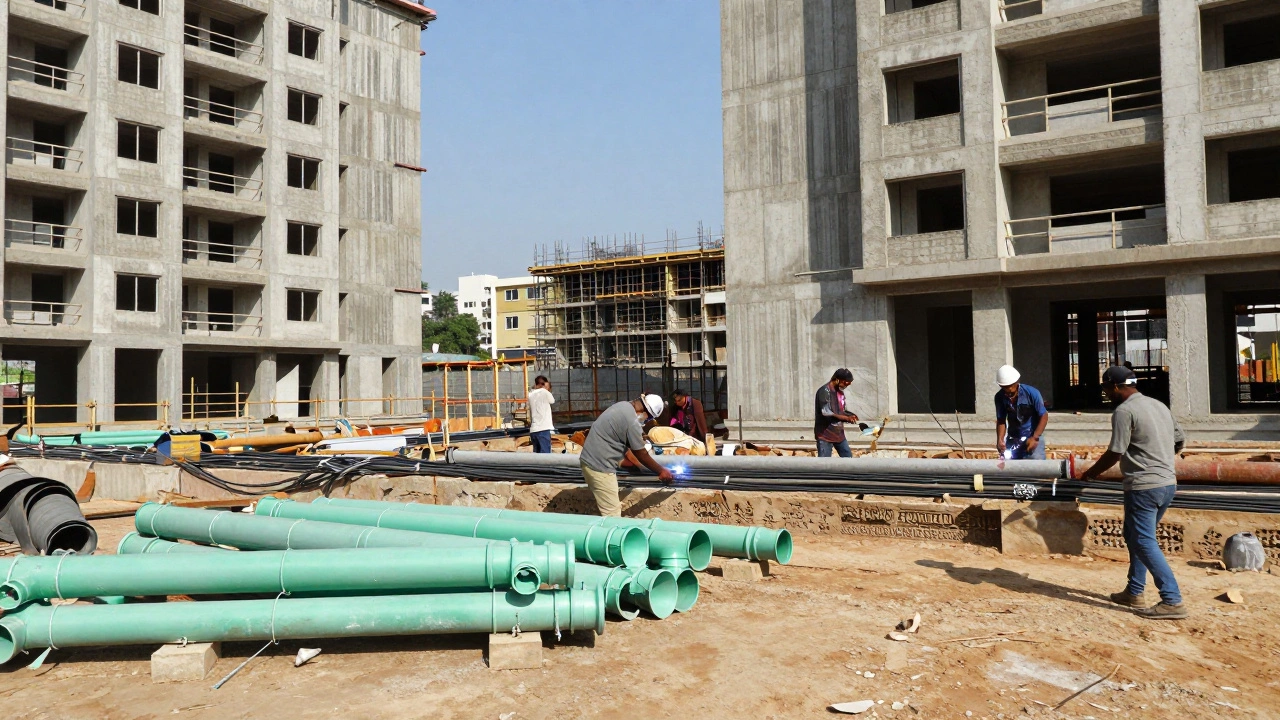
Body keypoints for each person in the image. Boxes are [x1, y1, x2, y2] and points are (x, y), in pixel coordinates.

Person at [1080, 365, 1187, 620]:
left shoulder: (1124, 411)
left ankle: (1172, 600)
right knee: (1135, 536)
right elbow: (1179, 440)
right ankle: (1134, 591)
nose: (1106, 394)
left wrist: (1091, 473)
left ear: (1116, 387)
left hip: (1143, 486)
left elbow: (1116, 451)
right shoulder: (1158, 405)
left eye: (1106, 389)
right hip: (1167, 484)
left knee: (1142, 540)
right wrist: (1159, 459)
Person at [579, 395, 674, 516]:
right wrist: (661, 471)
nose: (646, 421)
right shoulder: (632, 420)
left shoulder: (623, 406)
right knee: (612, 515)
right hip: (600, 467)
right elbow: (641, 453)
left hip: (591, 460)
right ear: (646, 412)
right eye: (648, 418)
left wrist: (639, 466)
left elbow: (628, 448)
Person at [993, 365, 1049, 460]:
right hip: (1013, 438)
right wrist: (1000, 440)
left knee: (1037, 465)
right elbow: (1001, 420)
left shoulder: (1032, 393)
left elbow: (1043, 415)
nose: (1008, 391)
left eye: (1010, 387)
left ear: (1016, 382)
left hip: (1031, 436)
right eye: (1004, 388)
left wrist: (1035, 437)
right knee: (1008, 467)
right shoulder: (999, 397)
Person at [814, 369, 858, 458]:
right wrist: (846, 418)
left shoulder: (840, 393)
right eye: (845, 383)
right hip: (825, 435)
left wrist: (850, 416)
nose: (846, 386)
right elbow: (826, 412)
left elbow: (841, 411)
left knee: (848, 461)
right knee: (824, 465)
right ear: (837, 379)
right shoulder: (824, 391)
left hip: (839, 435)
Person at [527, 375, 555, 454]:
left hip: (534, 430)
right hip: (543, 429)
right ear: (544, 384)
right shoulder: (545, 392)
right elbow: (552, 401)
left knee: (537, 458)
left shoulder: (530, 394)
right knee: (545, 458)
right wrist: (546, 389)